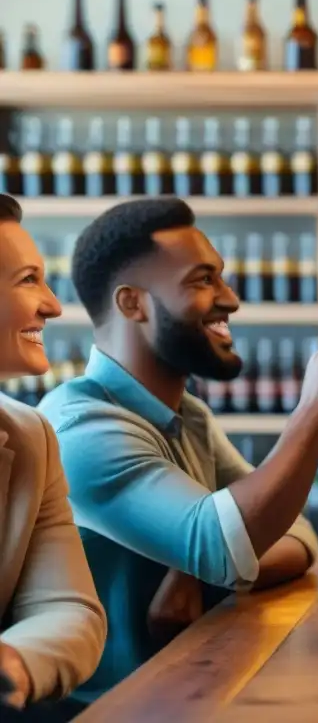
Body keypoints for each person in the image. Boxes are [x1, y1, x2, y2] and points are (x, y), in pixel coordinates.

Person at [38, 197, 318, 704]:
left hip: (183, 694)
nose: (230, 299)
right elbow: (226, 544)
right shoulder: (80, 427)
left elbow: (295, 533)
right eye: (202, 280)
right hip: (104, 712)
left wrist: (195, 572)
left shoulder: (189, 416)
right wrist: (314, 411)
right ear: (132, 304)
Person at [0, 194, 107, 716]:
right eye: (28, 280)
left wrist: (15, 661)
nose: (54, 304)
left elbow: (68, 606)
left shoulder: (30, 436)